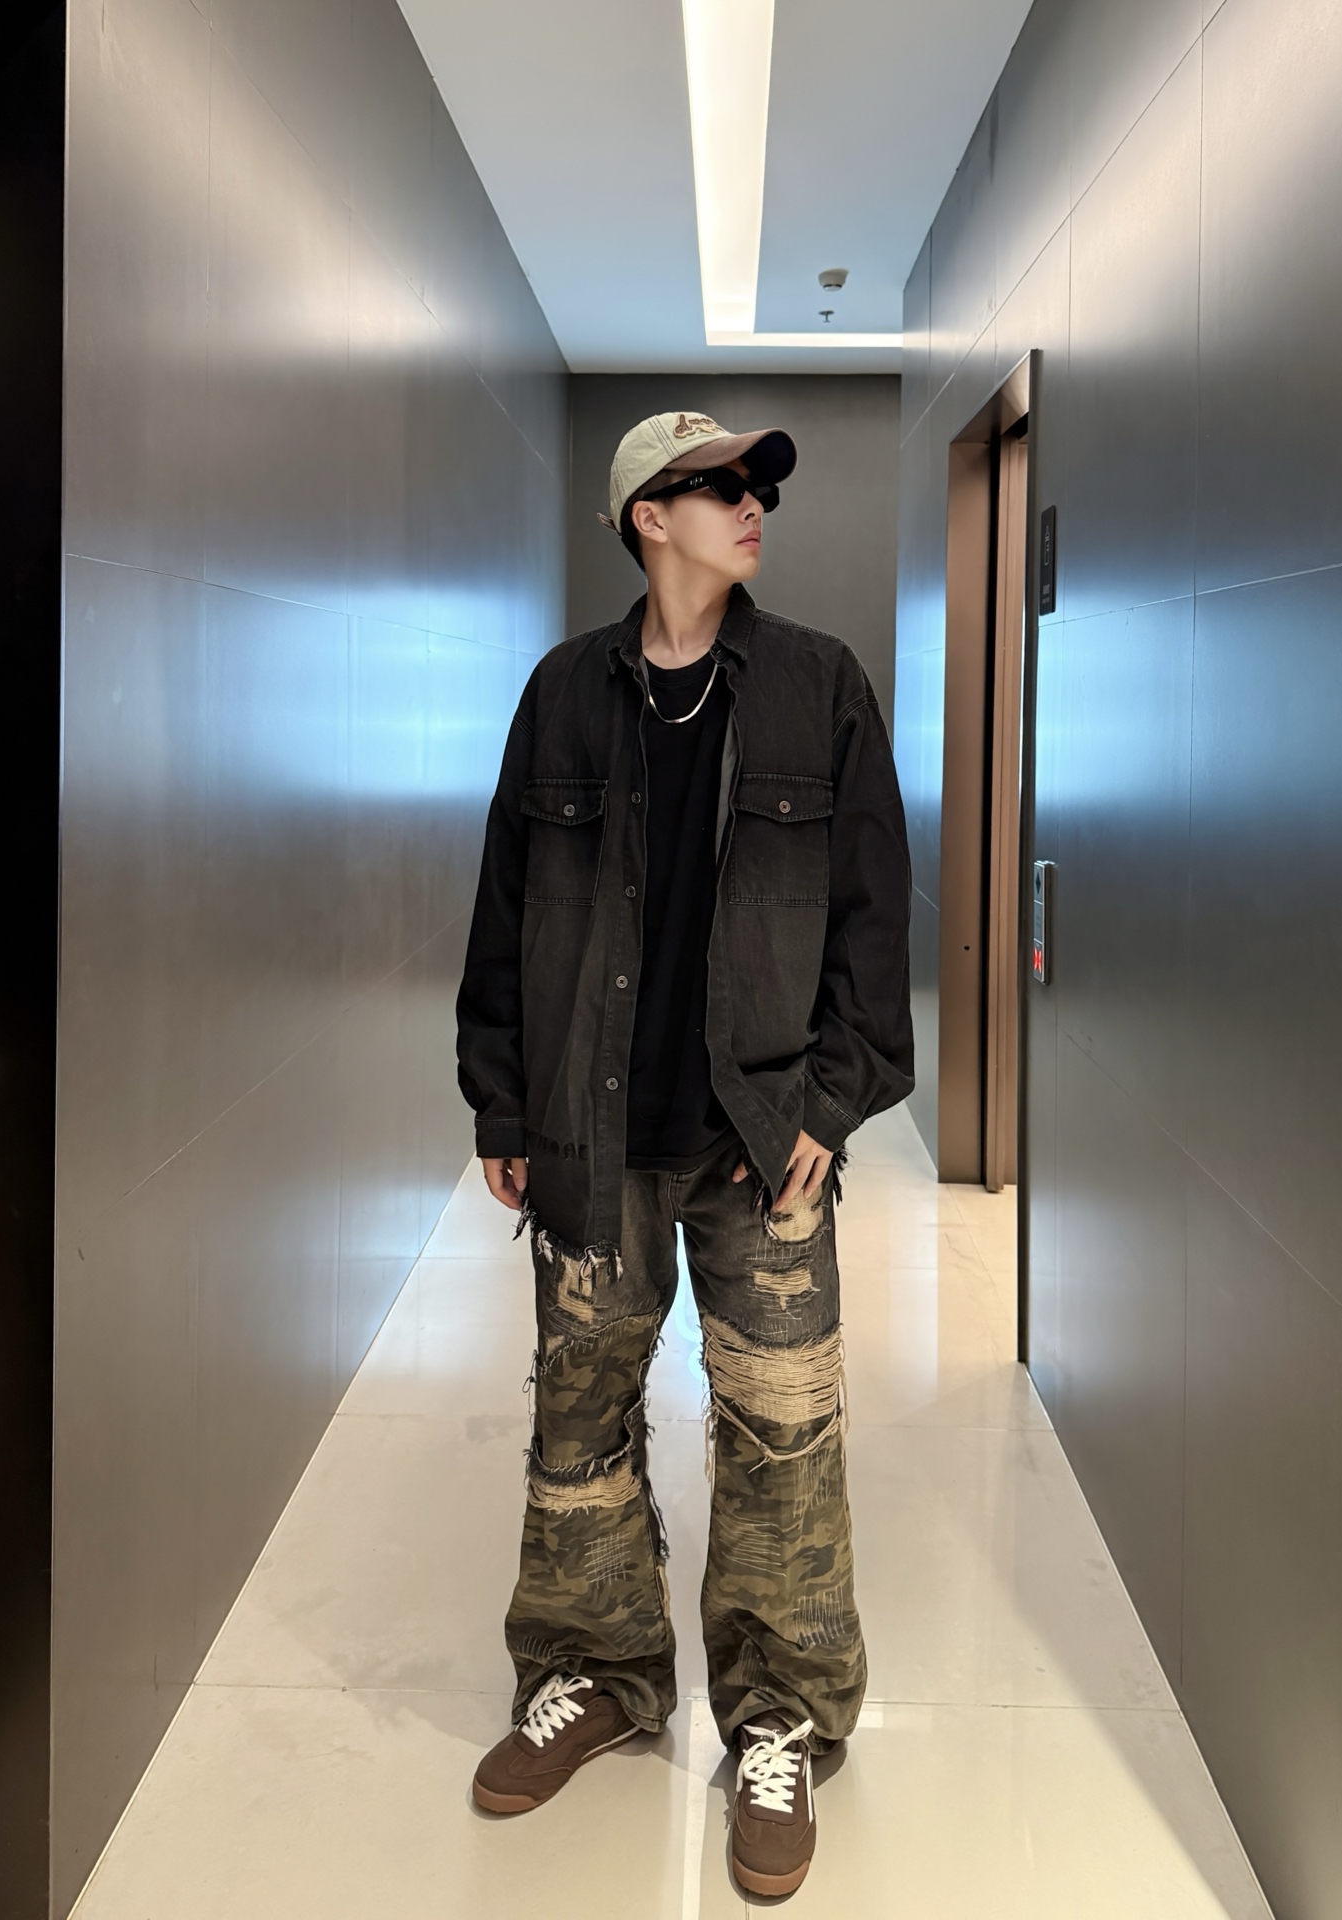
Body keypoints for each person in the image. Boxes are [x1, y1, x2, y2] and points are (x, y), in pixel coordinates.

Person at [456, 409, 912, 1897]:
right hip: (590, 1135)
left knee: (783, 1437)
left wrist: (829, 1107)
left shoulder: (819, 685)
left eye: (758, 484)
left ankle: (778, 1720)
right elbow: (505, 905)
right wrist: (502, 1103)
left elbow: (872, 917)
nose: (753, 502)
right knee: (577, 1424)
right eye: (721, 485)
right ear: (646, 517)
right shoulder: (561, 695)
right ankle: (597, 1674)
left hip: (759, 1138)